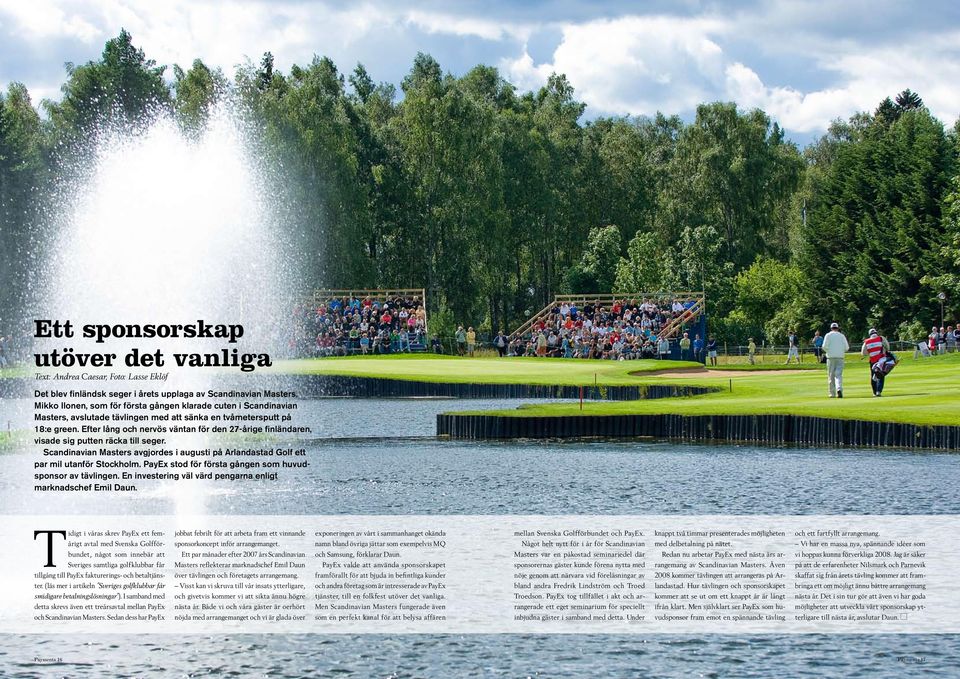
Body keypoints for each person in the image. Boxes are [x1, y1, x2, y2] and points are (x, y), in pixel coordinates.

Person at [822, 321, 849, 398]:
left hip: (830, 358)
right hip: (840, 357)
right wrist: (840, 351)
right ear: (837, 328)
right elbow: (847, 347)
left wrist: (829, 351)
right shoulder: (842, 336)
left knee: (831, 375)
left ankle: (832, 393)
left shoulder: (828, 335)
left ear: (831, 328)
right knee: (838, 375)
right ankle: (839, 389)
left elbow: (824, 346)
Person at [860, 328, 890, 396]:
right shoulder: (881, 338)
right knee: (881, 375)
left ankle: (874, 392)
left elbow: (863, 353)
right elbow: (888, 347)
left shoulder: (866, 341)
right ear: (876, 333)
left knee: (873, 376)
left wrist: (870, 352)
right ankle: (878, 391)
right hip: (881, 360)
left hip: (873, 361)